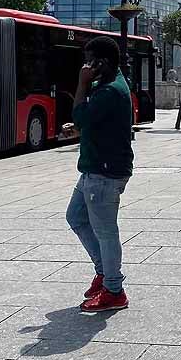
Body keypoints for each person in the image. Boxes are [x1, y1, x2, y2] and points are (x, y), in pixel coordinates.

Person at [65, 36, 134, 313]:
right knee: (76, 217)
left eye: (90, 61)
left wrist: (81, 83)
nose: (86, 66)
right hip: (95, 170)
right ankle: (104, 273)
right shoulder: (107, 84)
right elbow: (92, 121)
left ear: (101, 63)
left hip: (103, 174)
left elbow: (83, 115)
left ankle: (114, 290)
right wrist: (81, 128)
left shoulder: (110, 91)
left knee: (106, 232)